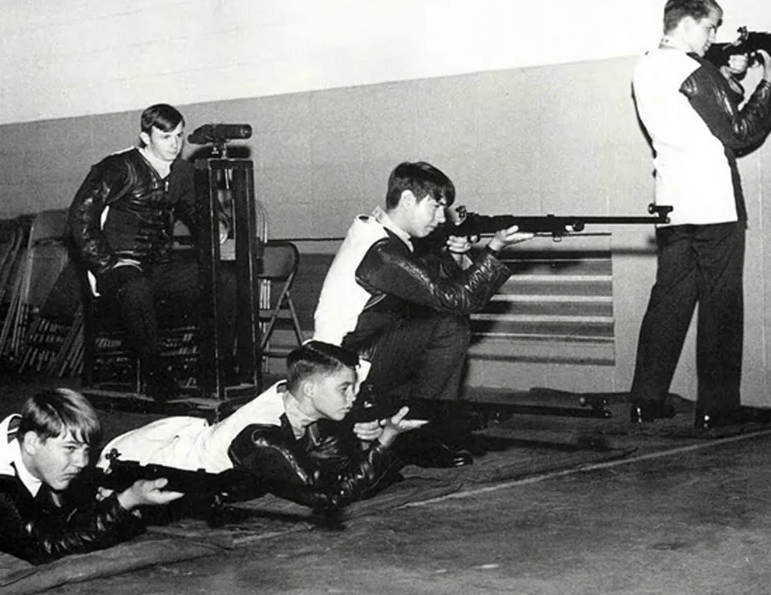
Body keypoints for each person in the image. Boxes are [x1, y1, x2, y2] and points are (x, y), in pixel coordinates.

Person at [629, 0, 771, 429]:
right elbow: (739, 133)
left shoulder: (646, 65)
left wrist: (725, 74)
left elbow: (699, 116)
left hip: (673, 204)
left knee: (668, 303)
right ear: (687, 24)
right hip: (715, 205)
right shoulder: (693, 71)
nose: (713, 36)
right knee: (721, 306)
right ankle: (718, 408)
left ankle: (646, 400)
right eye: (710, 27)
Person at [311, 161, 532, 467]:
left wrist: (455, 256)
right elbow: (457, 299)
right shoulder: (382, 252)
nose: (442, 219)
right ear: (407, 201)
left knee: (441, 323)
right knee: (450, 326)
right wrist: (494, 249)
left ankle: (413, 431)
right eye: (436, 207)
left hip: (355, 354)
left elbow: (428, 286)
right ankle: (418, 438)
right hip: (341, 367)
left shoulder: (382, 236)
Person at [97, 341, 424, 513]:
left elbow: (333, 458)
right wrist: (387, 438)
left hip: (187, 439)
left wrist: (366, 441)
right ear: (310, 389)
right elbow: (329, 496)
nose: (354, 397)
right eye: (345, 388)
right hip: (145, 466)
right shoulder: (261, 435)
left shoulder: (291, 393)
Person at [68, 103, 236, 401]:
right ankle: (155, 375)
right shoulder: (118, 167)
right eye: (165, 137)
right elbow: (81, 217)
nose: (174, 144)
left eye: (179, 136)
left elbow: (198, 213)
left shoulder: (182, 171)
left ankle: (216, 366)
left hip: (158, 265)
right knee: (136, 286)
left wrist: (217, 226)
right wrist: (106, 264)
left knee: (223, 279)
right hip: (118, 265)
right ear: (146, 137)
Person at [0, 389, 182, 565]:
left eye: (86, 450)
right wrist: (126, 501)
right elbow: (47, 548)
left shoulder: (24, 430)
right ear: (33, 442)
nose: (82, 461)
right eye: (70, 448)